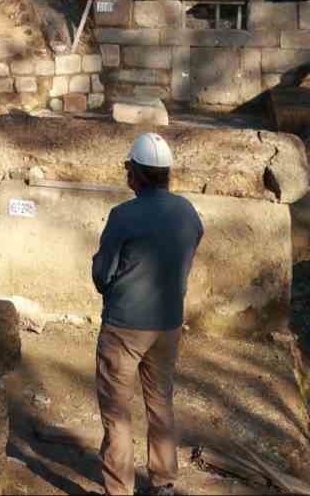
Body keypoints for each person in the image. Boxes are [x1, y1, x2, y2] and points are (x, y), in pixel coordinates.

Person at [91, 133, 205, 496]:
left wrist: (113, 285)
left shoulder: (123, 216)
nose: (127, 174)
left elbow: (102, 274)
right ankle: (164, 483)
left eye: (128, 168)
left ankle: (118, 489)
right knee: (160, 404)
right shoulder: (187, 212)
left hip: (124, 326)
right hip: (168, 324)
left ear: (137, 174)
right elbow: (188, 254)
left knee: (117, 412)